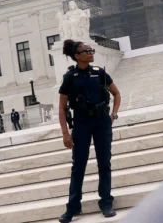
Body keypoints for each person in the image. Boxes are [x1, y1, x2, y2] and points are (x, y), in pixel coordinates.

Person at [58, 40, 121, 222]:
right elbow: (62, 108)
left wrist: (113, 115)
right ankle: (73, 207)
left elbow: (116, 93)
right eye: (87, 51)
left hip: (102, 122)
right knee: (78, 166)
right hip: (81, 124)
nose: (91, 52)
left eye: (92, 50)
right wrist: (65, 133)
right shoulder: (70, 77)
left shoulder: (100, 73)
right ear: (77, 56)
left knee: (104, 163)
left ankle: (106, 202)